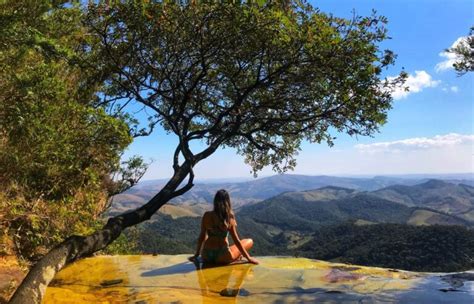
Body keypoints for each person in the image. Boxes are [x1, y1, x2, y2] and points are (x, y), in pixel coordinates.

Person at [188, 189, 259, 265]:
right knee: (249, 241)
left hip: (206, 255)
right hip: (223, 256)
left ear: (215, 201)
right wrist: (248, 258)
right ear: (228, 202)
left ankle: (238, 256)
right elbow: (236, 241)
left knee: (232, 247)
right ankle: (238, 256)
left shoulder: (206, 215)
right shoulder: (229, 217)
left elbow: (202, 237)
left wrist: (197, 254)